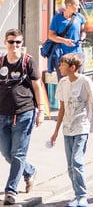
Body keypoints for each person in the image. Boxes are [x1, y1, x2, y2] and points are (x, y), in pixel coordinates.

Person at [49, 53, 93, 207]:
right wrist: (56, 131)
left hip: (82, 126)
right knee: (70, 166)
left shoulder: (85, 81)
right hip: (67, 128)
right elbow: (62, 108)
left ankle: (83, 196)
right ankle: (77, 195)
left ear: (72, 67)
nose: (59, 67)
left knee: (77, 161)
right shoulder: (63, 82)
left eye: (62, 65)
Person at [0, 29, 45, 204]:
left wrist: (40, 110)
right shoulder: (1, 62)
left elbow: (37, 86)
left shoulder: (28, 62)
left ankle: (10, 191)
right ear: (6, 43)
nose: (15, 45)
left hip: (24, 113)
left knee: (18, 153)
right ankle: (30, 171)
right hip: (2, 114)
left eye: (18, 42)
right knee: (7, 153)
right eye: (11, 42)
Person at [47, 0, 86, 106]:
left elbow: (83, 30)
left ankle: (78, 106)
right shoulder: (57, 19)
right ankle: (64, 109)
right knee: (64, 81)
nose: (79, 7)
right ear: (69, 5)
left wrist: (82, 38)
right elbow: (51, 36)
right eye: (77, 5)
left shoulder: (80, 17)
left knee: (78, 80)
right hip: (62, 55)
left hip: (77, 53)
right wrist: (64, 41)